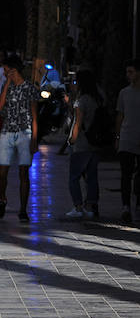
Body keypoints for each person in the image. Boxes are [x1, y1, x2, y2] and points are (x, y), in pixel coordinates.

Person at [0, 55, 39, 222]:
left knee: (23, 172)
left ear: (14, 69)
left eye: (7, 70)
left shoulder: (29, 88)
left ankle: (22, 209)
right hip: (7, 131)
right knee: (2, 172)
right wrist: (7, 84)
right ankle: (2, 198)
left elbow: (34, 115)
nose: (5, 73)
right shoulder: (8, 87)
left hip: (24, 132)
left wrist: (34, 139)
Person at [65, 70, 102, 219]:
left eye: (75, 81)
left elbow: (77, 123)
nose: (74, 84)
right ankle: (90, 206)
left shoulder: (81, 101)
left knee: (74, 176)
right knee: (92, 177)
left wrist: (71, 139)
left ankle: (78, 207)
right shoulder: (99, 98)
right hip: (95, 142)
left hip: (81, 143)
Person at [115, 60, 140, 223]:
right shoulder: (124, 93)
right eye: (127, 72)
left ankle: (137, 203)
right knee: (126, 174)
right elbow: (120, 116)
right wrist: (117, 137)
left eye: (131, 72)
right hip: (126, 138)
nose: (128, 75)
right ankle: (126, 207)